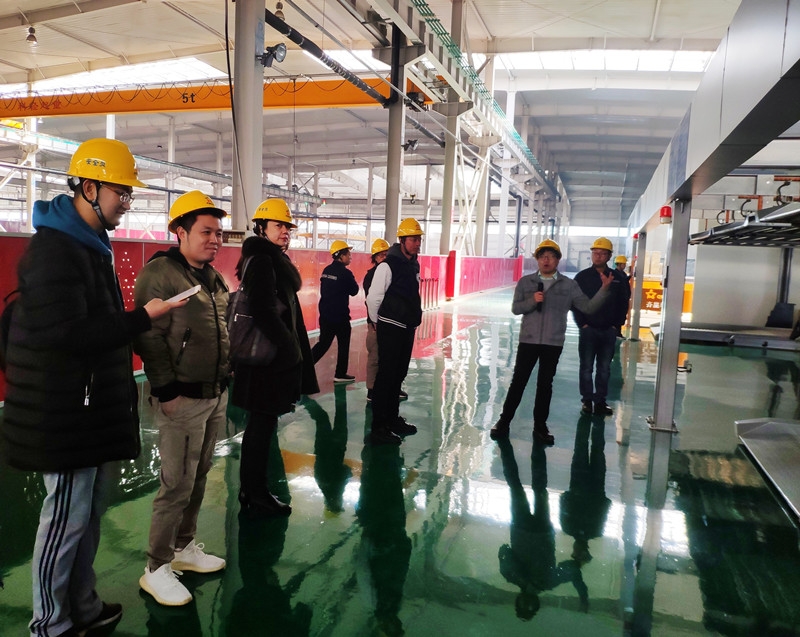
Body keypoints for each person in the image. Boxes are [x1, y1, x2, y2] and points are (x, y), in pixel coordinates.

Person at [1, 138, 182, 637]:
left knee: (86, 517)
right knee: (63, 520)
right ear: (88, 187)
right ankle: (48, 624)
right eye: (120, 192)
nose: (127, 201)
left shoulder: (89, 245)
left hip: (89, 408)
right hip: (64, 414)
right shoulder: (55, 251)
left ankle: (81, 605)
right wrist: (142, 318)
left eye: (129, 193)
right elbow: (66, 335)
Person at [134, 190, 230, 606]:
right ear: (180, 231)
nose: (215, 240)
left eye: (219, 233)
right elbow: (148, 337)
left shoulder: (212, 277)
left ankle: (183, 547)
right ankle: (156, 567)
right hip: (182, 398)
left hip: (213, 393)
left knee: (200, 474)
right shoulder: (160, 274)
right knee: (176, 484)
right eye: (206, 232)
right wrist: (166, 390)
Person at [229, 198, 319, 516]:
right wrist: (288, 346)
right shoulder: (263, 261)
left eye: (287, 227)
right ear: (261, 228)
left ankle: (253, 490)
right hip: (266, 360)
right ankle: (254, 493)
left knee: (262, 426)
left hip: (267, 358)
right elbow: (263, 310)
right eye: (278, 225)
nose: (285, 231)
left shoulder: (269, 259)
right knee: (261, 428)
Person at [490, 239, 611, 445]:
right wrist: (532, 301)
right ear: (537, 259)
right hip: (528, 341)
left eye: (551, 257)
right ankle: (503, 422)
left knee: (545, 385)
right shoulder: (525, 282)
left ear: (558, 260)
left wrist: (604, 290)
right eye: (542, 256)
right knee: (518, 382)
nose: (546, 260)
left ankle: (540, 427)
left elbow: (588, 308)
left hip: (552, 343)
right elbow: (516, 309)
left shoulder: (569, 285)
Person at [497, 439, 589, 620]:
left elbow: (504, 551)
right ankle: (531, 446)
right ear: (536, 603)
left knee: (523, 487)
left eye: (523, 606)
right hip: (535, 531)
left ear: (518, 601)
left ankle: (520, 446)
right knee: (529, 488)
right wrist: (583, 597)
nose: (527, 603)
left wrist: (523, 579)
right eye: (530, 606)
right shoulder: (545, 581)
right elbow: (573, 570)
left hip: (526, 529)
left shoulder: (514, 576)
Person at [366, 218, 424, 445]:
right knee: (386, 376)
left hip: (407, 328)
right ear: (402, 240)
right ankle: (379, 427)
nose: (417, 243)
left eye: (419, 239)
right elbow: (374, 298)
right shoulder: (387, 265)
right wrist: (376, 322)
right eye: (413, 239)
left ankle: (392, 419)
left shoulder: (413, 264)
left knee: (399, 375)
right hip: (390, 327)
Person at [573, 237, 631, 416]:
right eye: (595, 253)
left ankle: (600, 401)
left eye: (602, 253)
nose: (598, 256)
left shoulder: (617, 278)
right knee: (586, 367)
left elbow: (624, 302)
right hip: (588, 329)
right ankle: (586, 401)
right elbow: (575, 302)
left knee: (604, 368)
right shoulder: (582, 277)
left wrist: (616, 325)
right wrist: (582, 324)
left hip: (608, 330)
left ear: (609, 256)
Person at [311, 240, 359, 383]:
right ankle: (340, 374)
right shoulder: (346, 273)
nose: (350, 257)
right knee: (343, 345)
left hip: (325, 315)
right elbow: (354, 291)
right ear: (341, 256)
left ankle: (304, 367)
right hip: (340, 316)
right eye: (348, 254)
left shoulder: (326, 270)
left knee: (323, 344)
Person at [362, 238, 390, 403]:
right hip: (375, 323)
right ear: (374, 258)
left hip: (390, 321)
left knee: (391, 356)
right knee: (375, 356)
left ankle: (391, 387)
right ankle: (371, 390)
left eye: (386, 254)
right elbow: (371, 300)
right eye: (381, 255)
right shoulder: (371, 276)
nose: (384, 258)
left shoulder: (390, 272)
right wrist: (374, 321)